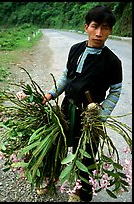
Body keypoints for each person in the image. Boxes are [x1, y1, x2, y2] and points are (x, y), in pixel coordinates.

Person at [17, 5, 122, 202]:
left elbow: (115, 91)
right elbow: (66, 77)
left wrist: (101, 115)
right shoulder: (76, 50)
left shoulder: (113, 62)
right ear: (86, 27)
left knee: (86, 154)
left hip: (90, 117)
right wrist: (50, 95)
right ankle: (50, 177)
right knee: (56, 144)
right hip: (67, 107)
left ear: (110, 31)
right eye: (95, 26)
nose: (99, 33)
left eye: (105, 28)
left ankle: (81, 193)